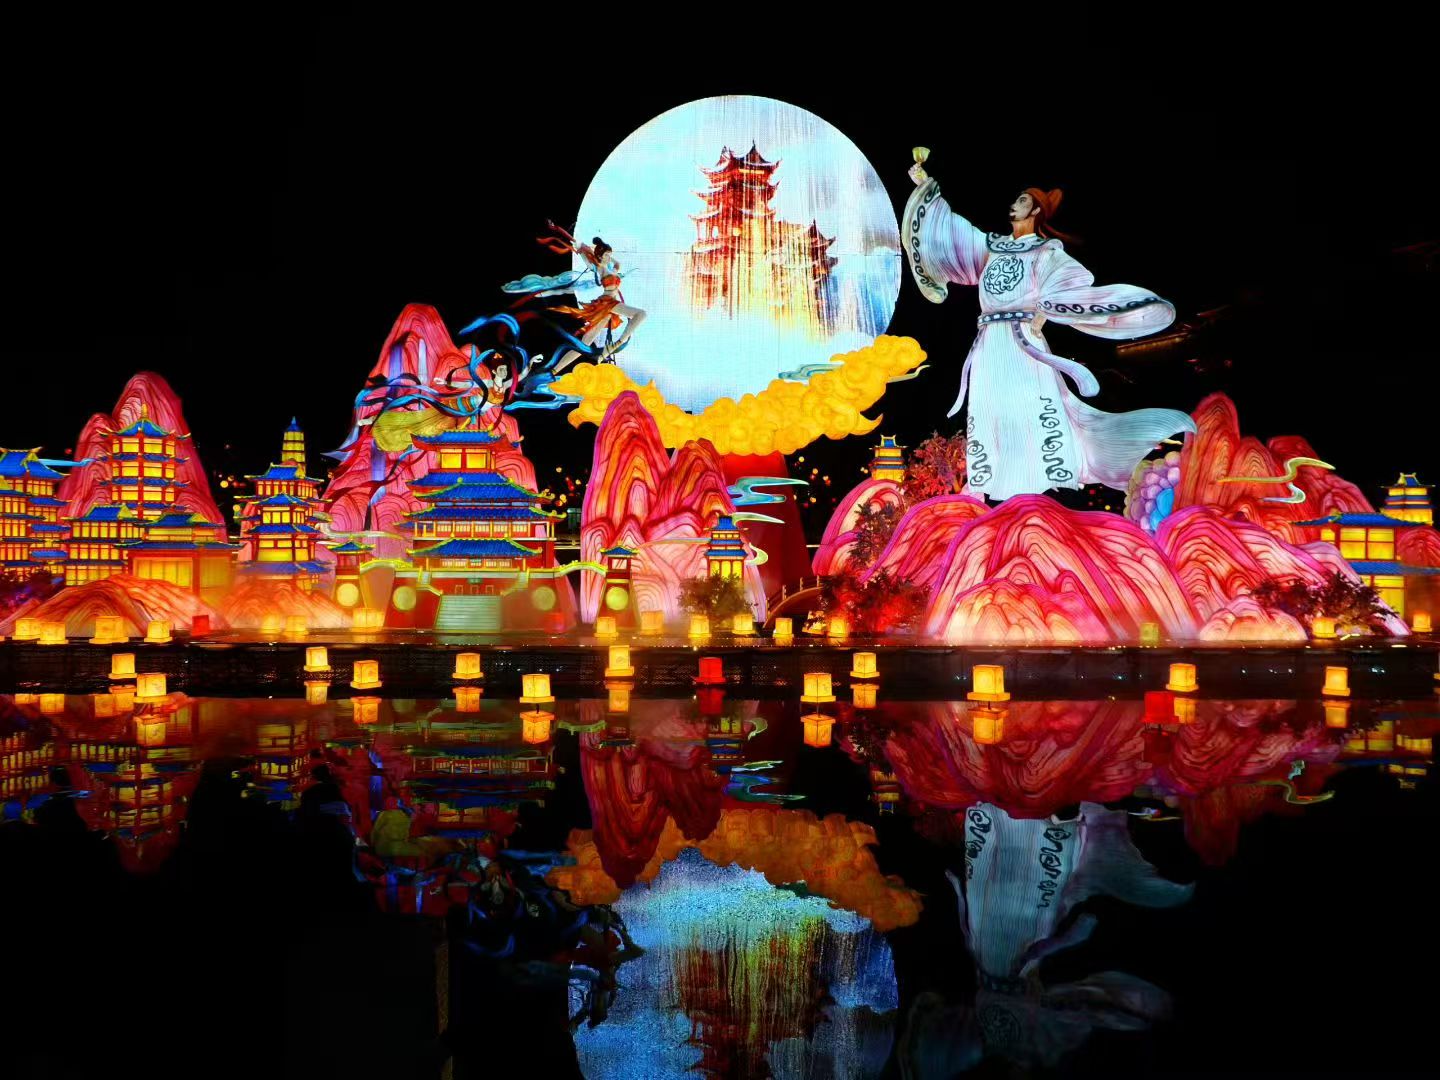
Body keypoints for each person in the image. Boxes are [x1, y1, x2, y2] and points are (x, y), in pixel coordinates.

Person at [904, 160, 1196, 502]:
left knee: (1029, 413)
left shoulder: (1045, 252)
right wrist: (926, 187)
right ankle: (989, 487)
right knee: (989, 412)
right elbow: (954, 235)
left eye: (1023, 201)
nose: (1014, 204)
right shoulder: (991, 247)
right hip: (988, 344)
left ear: (1036, 211)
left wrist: (1045, 308)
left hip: (1022, 342)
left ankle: (1031, 494)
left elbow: (1067, 286)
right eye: (1016, 199)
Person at [509, 221, 647, 374]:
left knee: (585, 343)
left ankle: (554, 370)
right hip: (607, 303)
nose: (609, 257)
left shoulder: (610, 268)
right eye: (607, 255)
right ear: (600, 256)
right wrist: (582, 248)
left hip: (608, 306)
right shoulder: (599, 268)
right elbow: (584, 254)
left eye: (609, 255)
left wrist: (606, 254)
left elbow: (618, 264)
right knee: (641, 314)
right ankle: (615, 345)